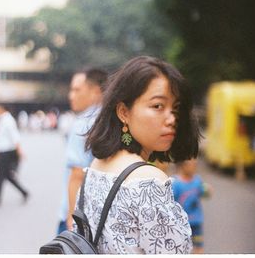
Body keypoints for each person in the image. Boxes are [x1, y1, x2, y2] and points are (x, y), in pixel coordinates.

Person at [74, 56, 200, 254]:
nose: (172, 119)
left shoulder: (96, 166)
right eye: (158, 106)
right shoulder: (148, 181)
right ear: (124, 112)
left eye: (175, 108)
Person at [57, 67, 108, 234]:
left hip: (77, 216)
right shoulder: (111, 121)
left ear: (95, 91)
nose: (71, 95)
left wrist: (71, 219)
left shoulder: (83, 124)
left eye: (77, 90)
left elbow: (77, 174)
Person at [0, 104, 29, 205]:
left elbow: (15, 136)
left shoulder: (8, 120)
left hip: (6, 152)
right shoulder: (2, 120)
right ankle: (24, 192)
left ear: (2, 108)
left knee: (1, 175)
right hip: (1, 152)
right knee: (6, 175)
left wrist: (20, 151)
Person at [172, 158, 211, 254]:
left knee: (198, 246)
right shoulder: (175, 183)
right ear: (182, 166)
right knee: (181, 247)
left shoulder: (197, 180)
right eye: (191, 165)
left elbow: (203, 192)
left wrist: (208, 191)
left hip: (196, 222)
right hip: (181, 224)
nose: (194, 167)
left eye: (195, 165)